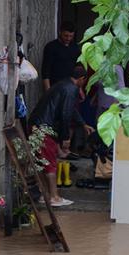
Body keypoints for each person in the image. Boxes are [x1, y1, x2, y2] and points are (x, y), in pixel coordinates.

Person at [29, 66, 95, 207]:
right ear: (82, 79)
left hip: (36, 125)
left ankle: (44, 194)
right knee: (50, 163)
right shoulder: (72, 90)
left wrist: (83, 124)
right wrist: (65, 138)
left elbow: (70, 110)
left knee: (41, 162)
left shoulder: (63, 84)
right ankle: (54, 197)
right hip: (45, 128)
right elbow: (65, 114)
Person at [41, 21, 81, 92]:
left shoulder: (75, 48)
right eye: (66, 35)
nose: (68, 38)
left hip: (70, 87)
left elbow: (78, 69)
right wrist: (48, 91)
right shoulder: (51, 47)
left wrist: (79, 90)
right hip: (55, 86)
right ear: (60, 32)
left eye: (71, 36)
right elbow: (45, 71)